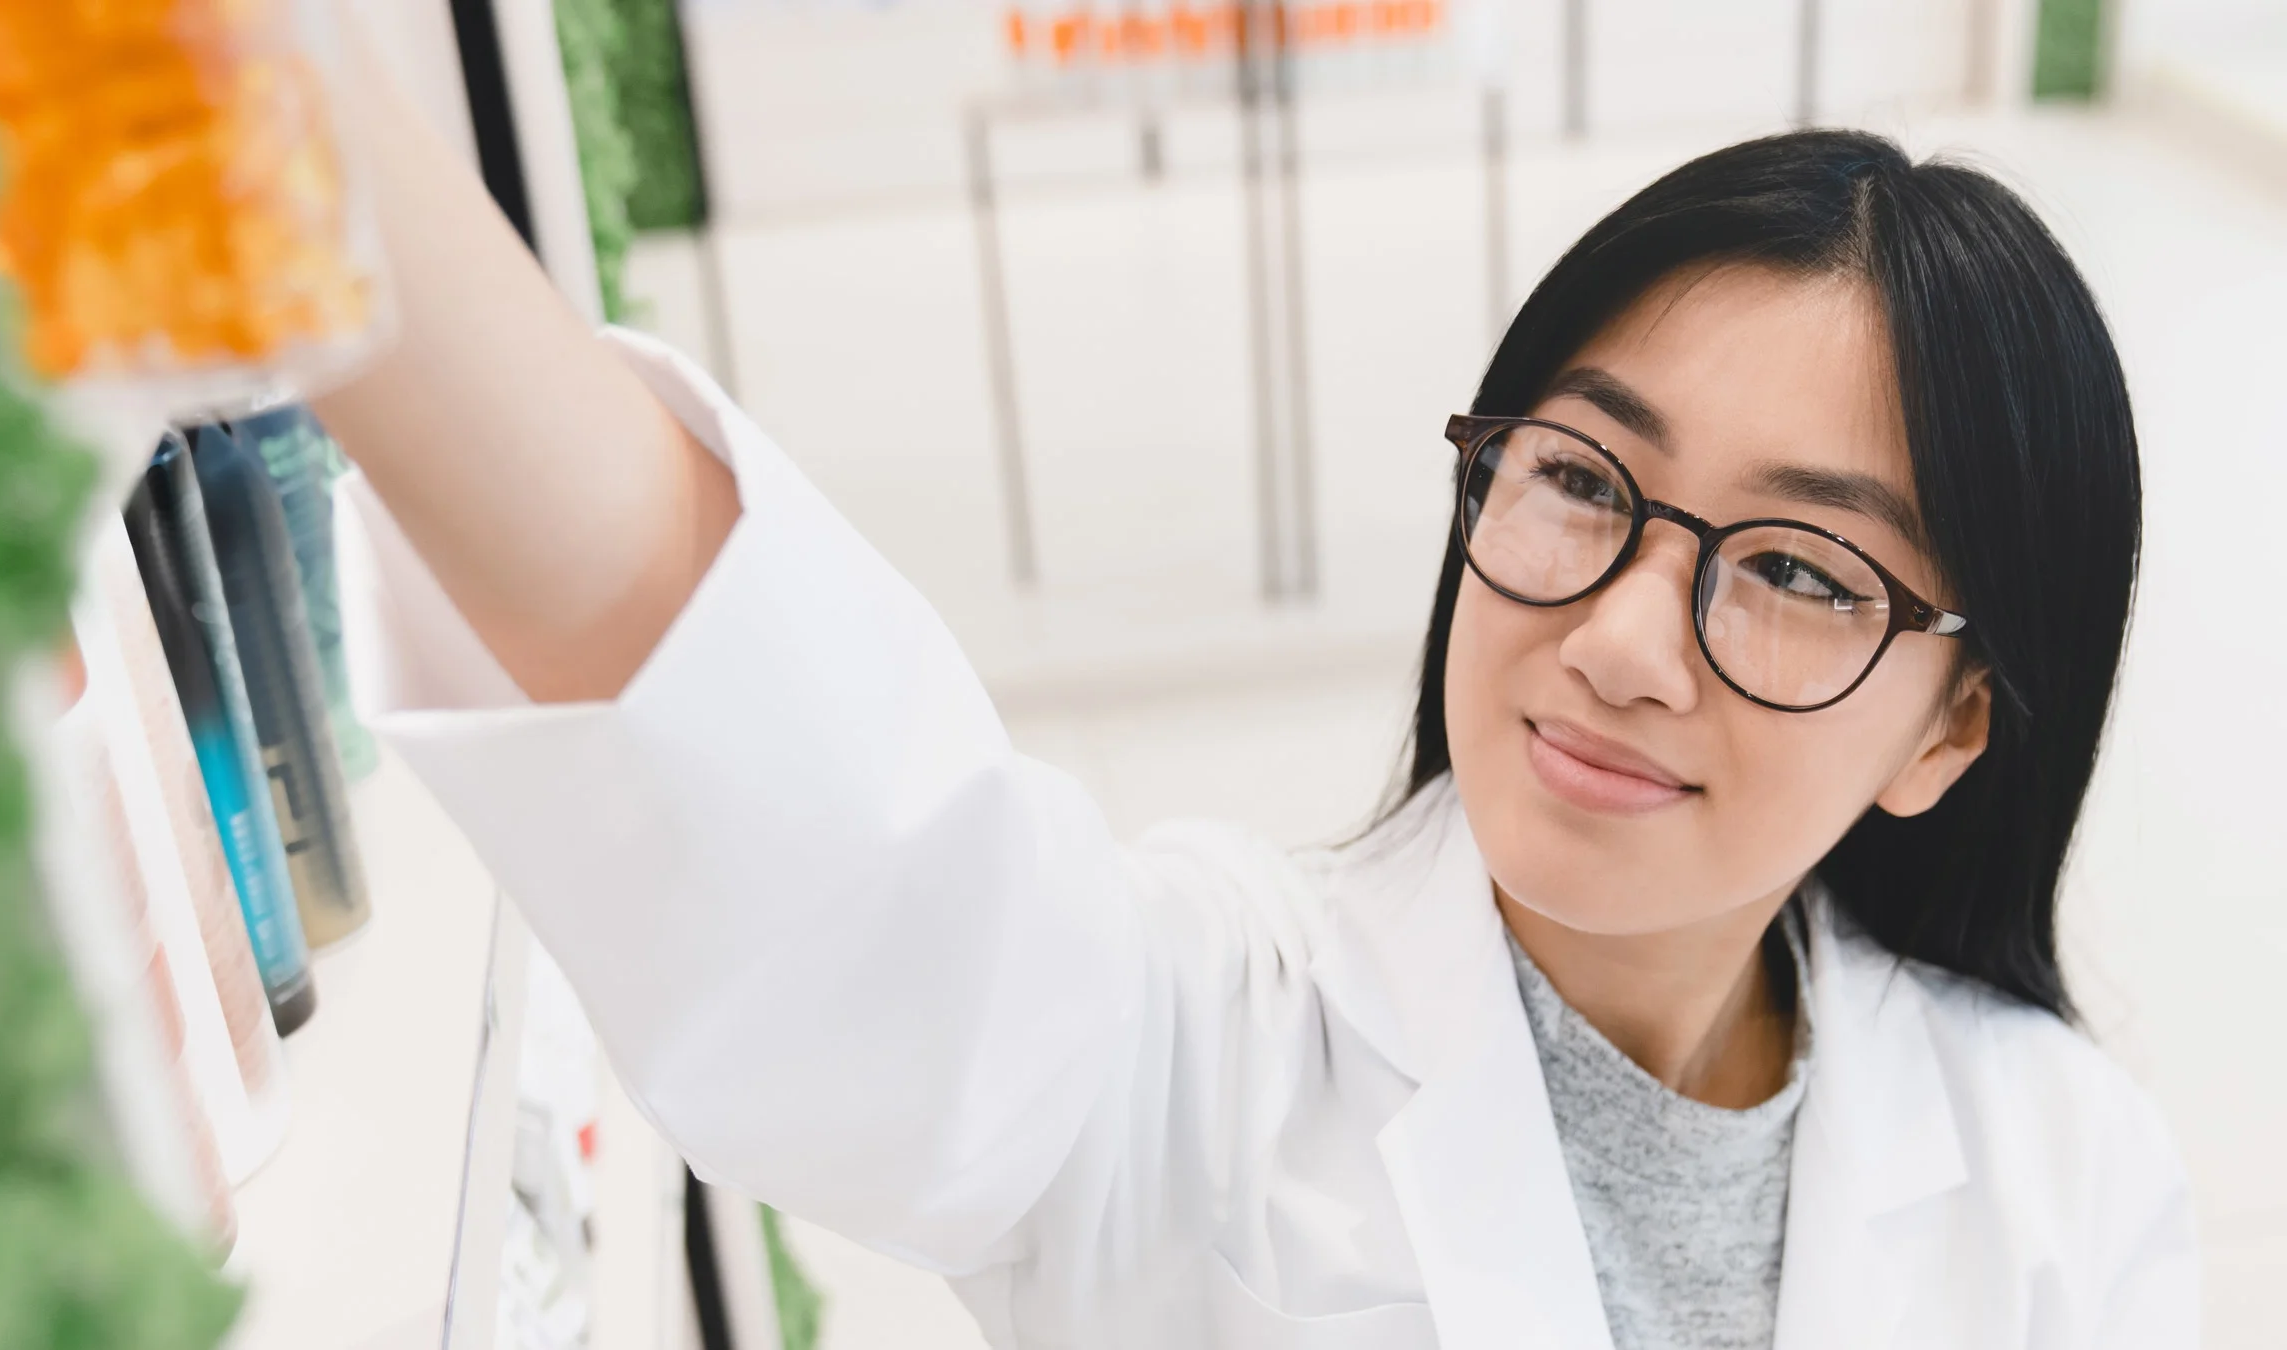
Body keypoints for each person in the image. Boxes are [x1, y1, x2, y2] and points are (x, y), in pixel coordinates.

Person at [313, 30, 2195, 1349]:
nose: (1620, 639)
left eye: (1791, 571)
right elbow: (813, 820)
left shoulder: (2063, 1172)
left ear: (1952, 726)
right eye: (1581, 479)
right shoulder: (1208, 1037)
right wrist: (270, 100)